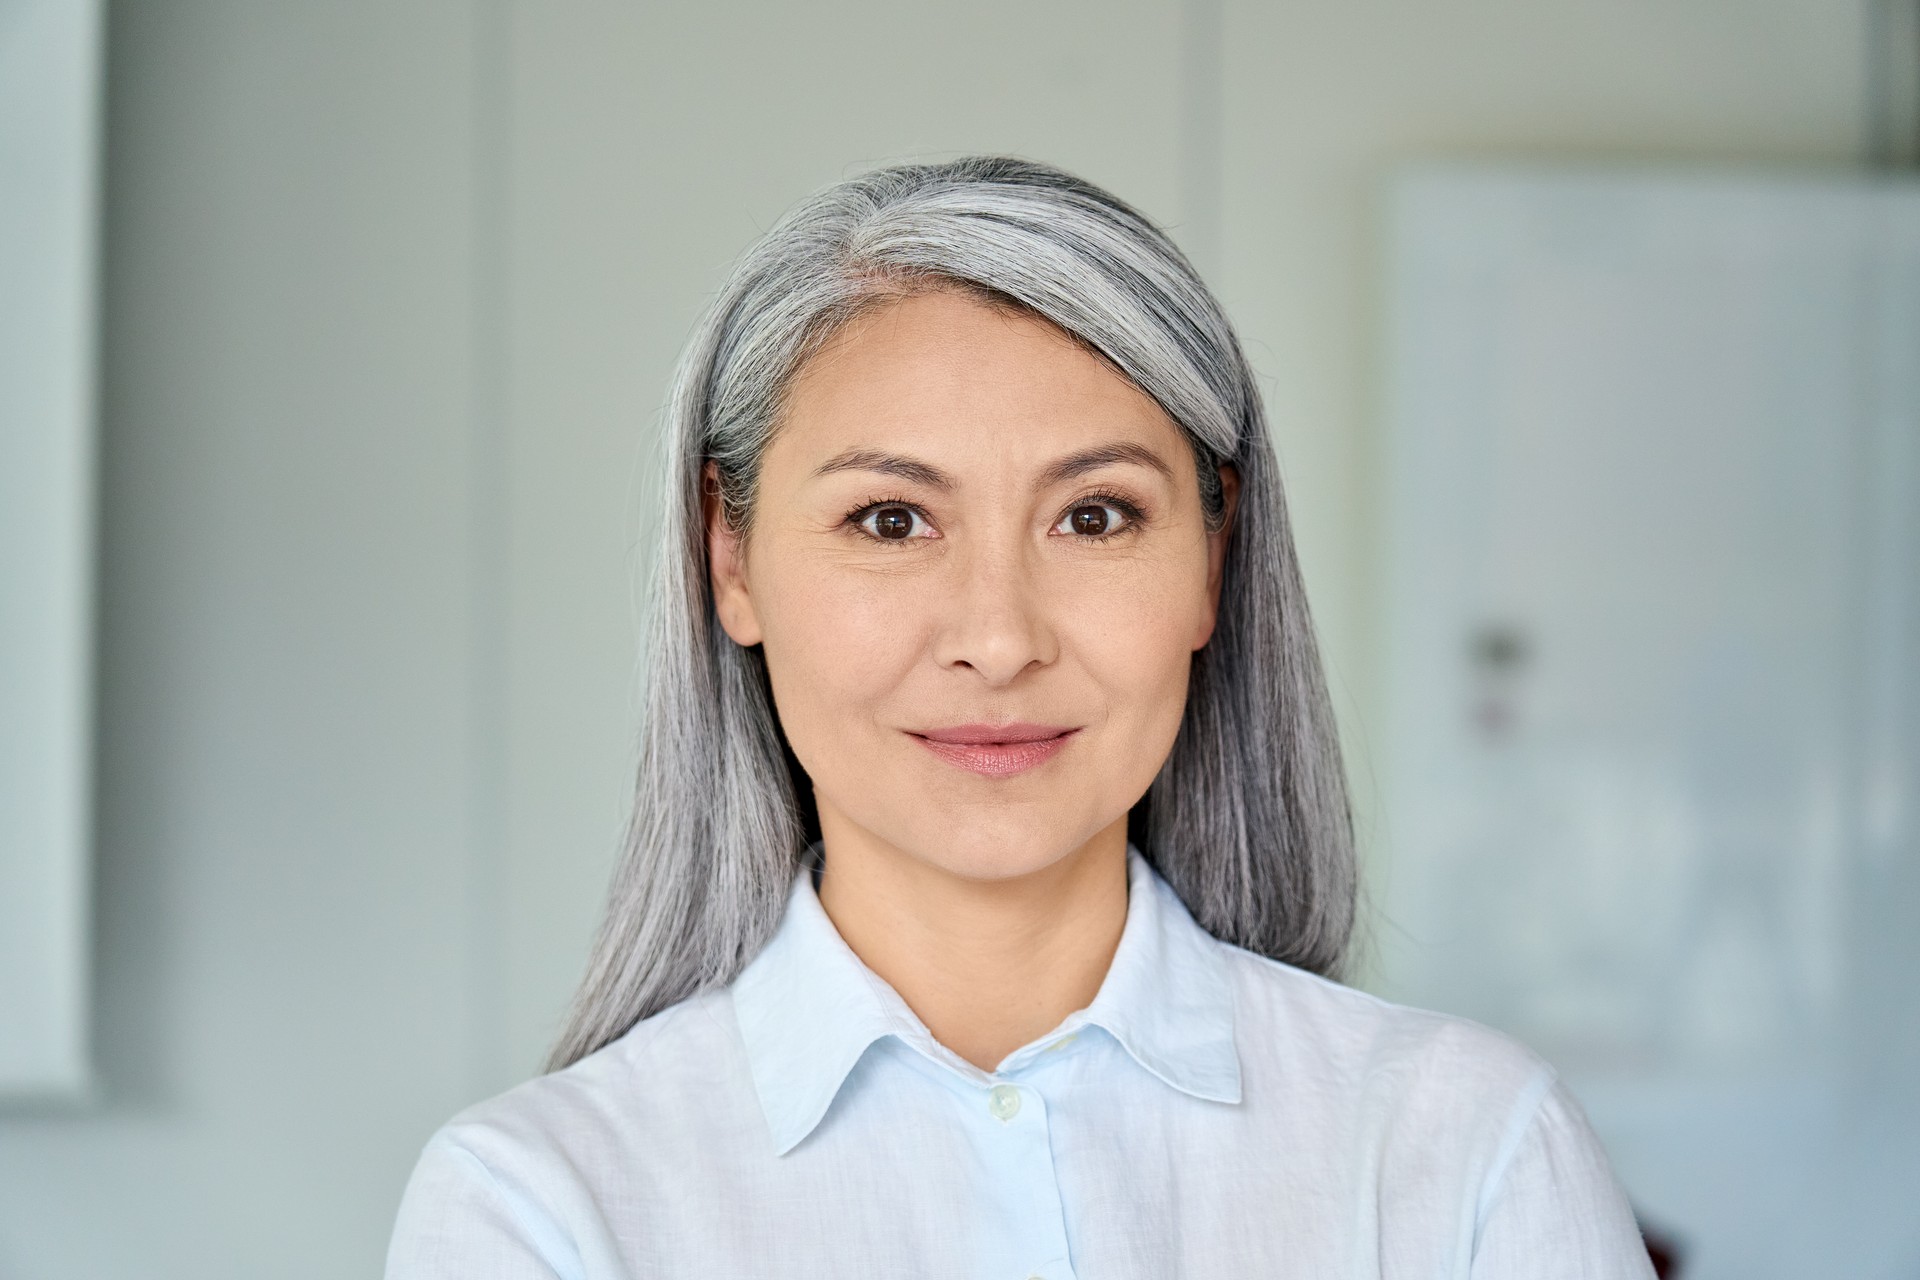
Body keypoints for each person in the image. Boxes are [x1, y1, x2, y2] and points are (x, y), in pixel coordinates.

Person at [386, 157, 1654, 1278]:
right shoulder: (541, 1207)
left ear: (1213, 557)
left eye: (1094, 515)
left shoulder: (1472, 1149)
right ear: (731, 558)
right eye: (891, 520)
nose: (998, 637)